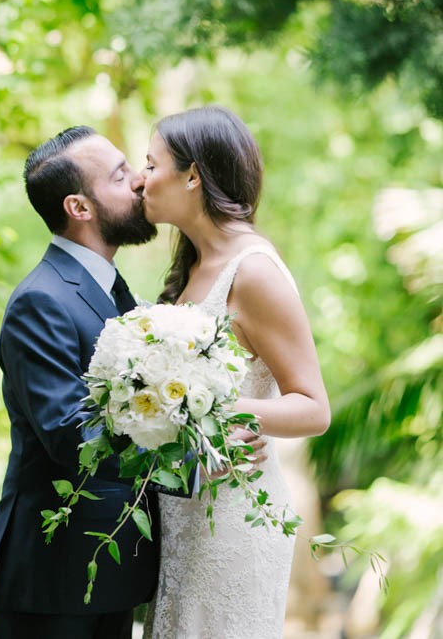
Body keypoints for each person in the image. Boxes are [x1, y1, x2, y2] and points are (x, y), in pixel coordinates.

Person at [140, 105, 331, 639]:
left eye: (151, 164)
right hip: (186, 513)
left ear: (193, 175)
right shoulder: (193, 267)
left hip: (235, 520)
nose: (140, 179)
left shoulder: (254, 272)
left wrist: (213, 410)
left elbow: (313, 407)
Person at [0, 125, 160, 639]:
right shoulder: (41, 301)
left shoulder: (117, 292)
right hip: (50, 578)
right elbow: (69, 434)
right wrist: (182, 439)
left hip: (108, 574)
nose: (140, 182)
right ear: (79, 208)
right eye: (121, 175)